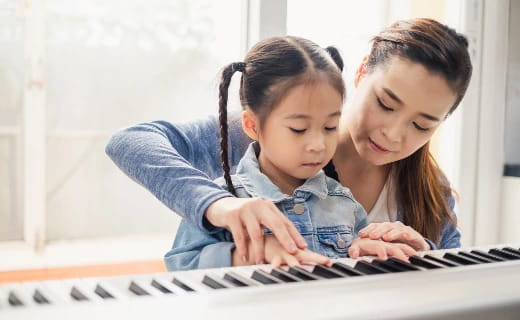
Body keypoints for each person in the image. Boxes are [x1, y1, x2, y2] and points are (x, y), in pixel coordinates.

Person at [106, 18, 472, 264]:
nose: (393, 134)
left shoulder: (432, 192)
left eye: (422, 125)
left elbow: (452, 291)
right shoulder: (265, 135)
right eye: (385, 104)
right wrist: (218, 205)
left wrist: (423, 255)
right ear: (361, 73)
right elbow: (131, 141)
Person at [162, 36, 416, 271]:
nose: (318, 144)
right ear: (252, 125)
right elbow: (181, 264)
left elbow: (353, 269)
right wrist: (251, 252)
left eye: (330, 127)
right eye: (298, 129)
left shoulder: (343, 201)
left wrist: (365, 250)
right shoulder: (223, 201)